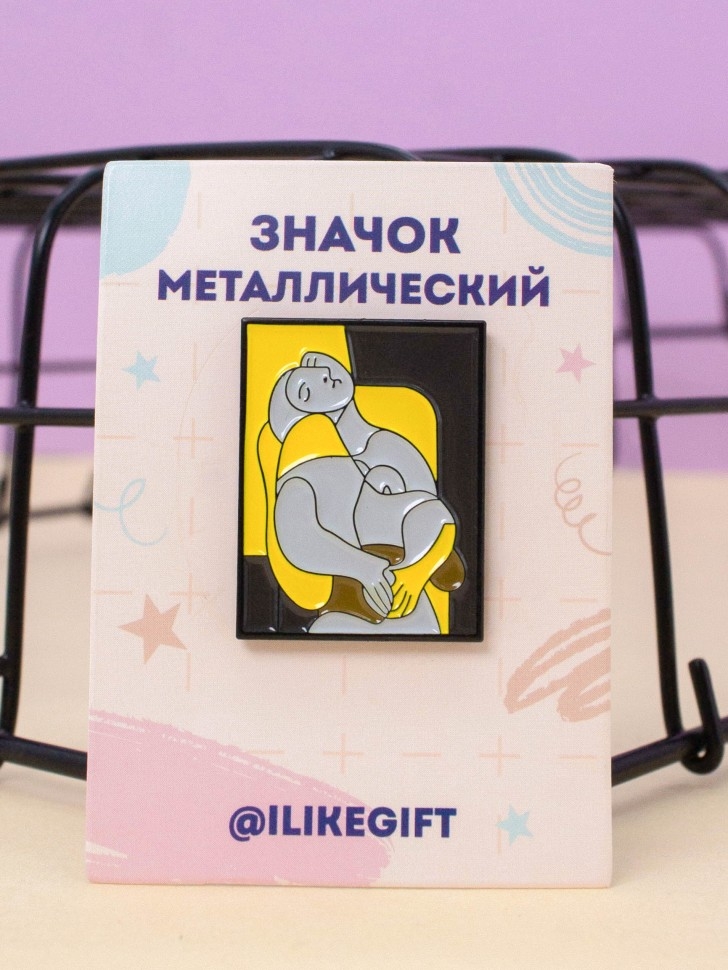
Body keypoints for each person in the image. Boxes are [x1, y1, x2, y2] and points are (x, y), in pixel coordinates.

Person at [267, 351, 464, 634]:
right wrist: (364, 567)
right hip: (345, 609)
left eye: (319, 368)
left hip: (409, 605)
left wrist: (415, 573)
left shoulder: (389, 447)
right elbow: (297, 536)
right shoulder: (306, 475)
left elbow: (434, 518)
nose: (324, 374)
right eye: (305, 389)